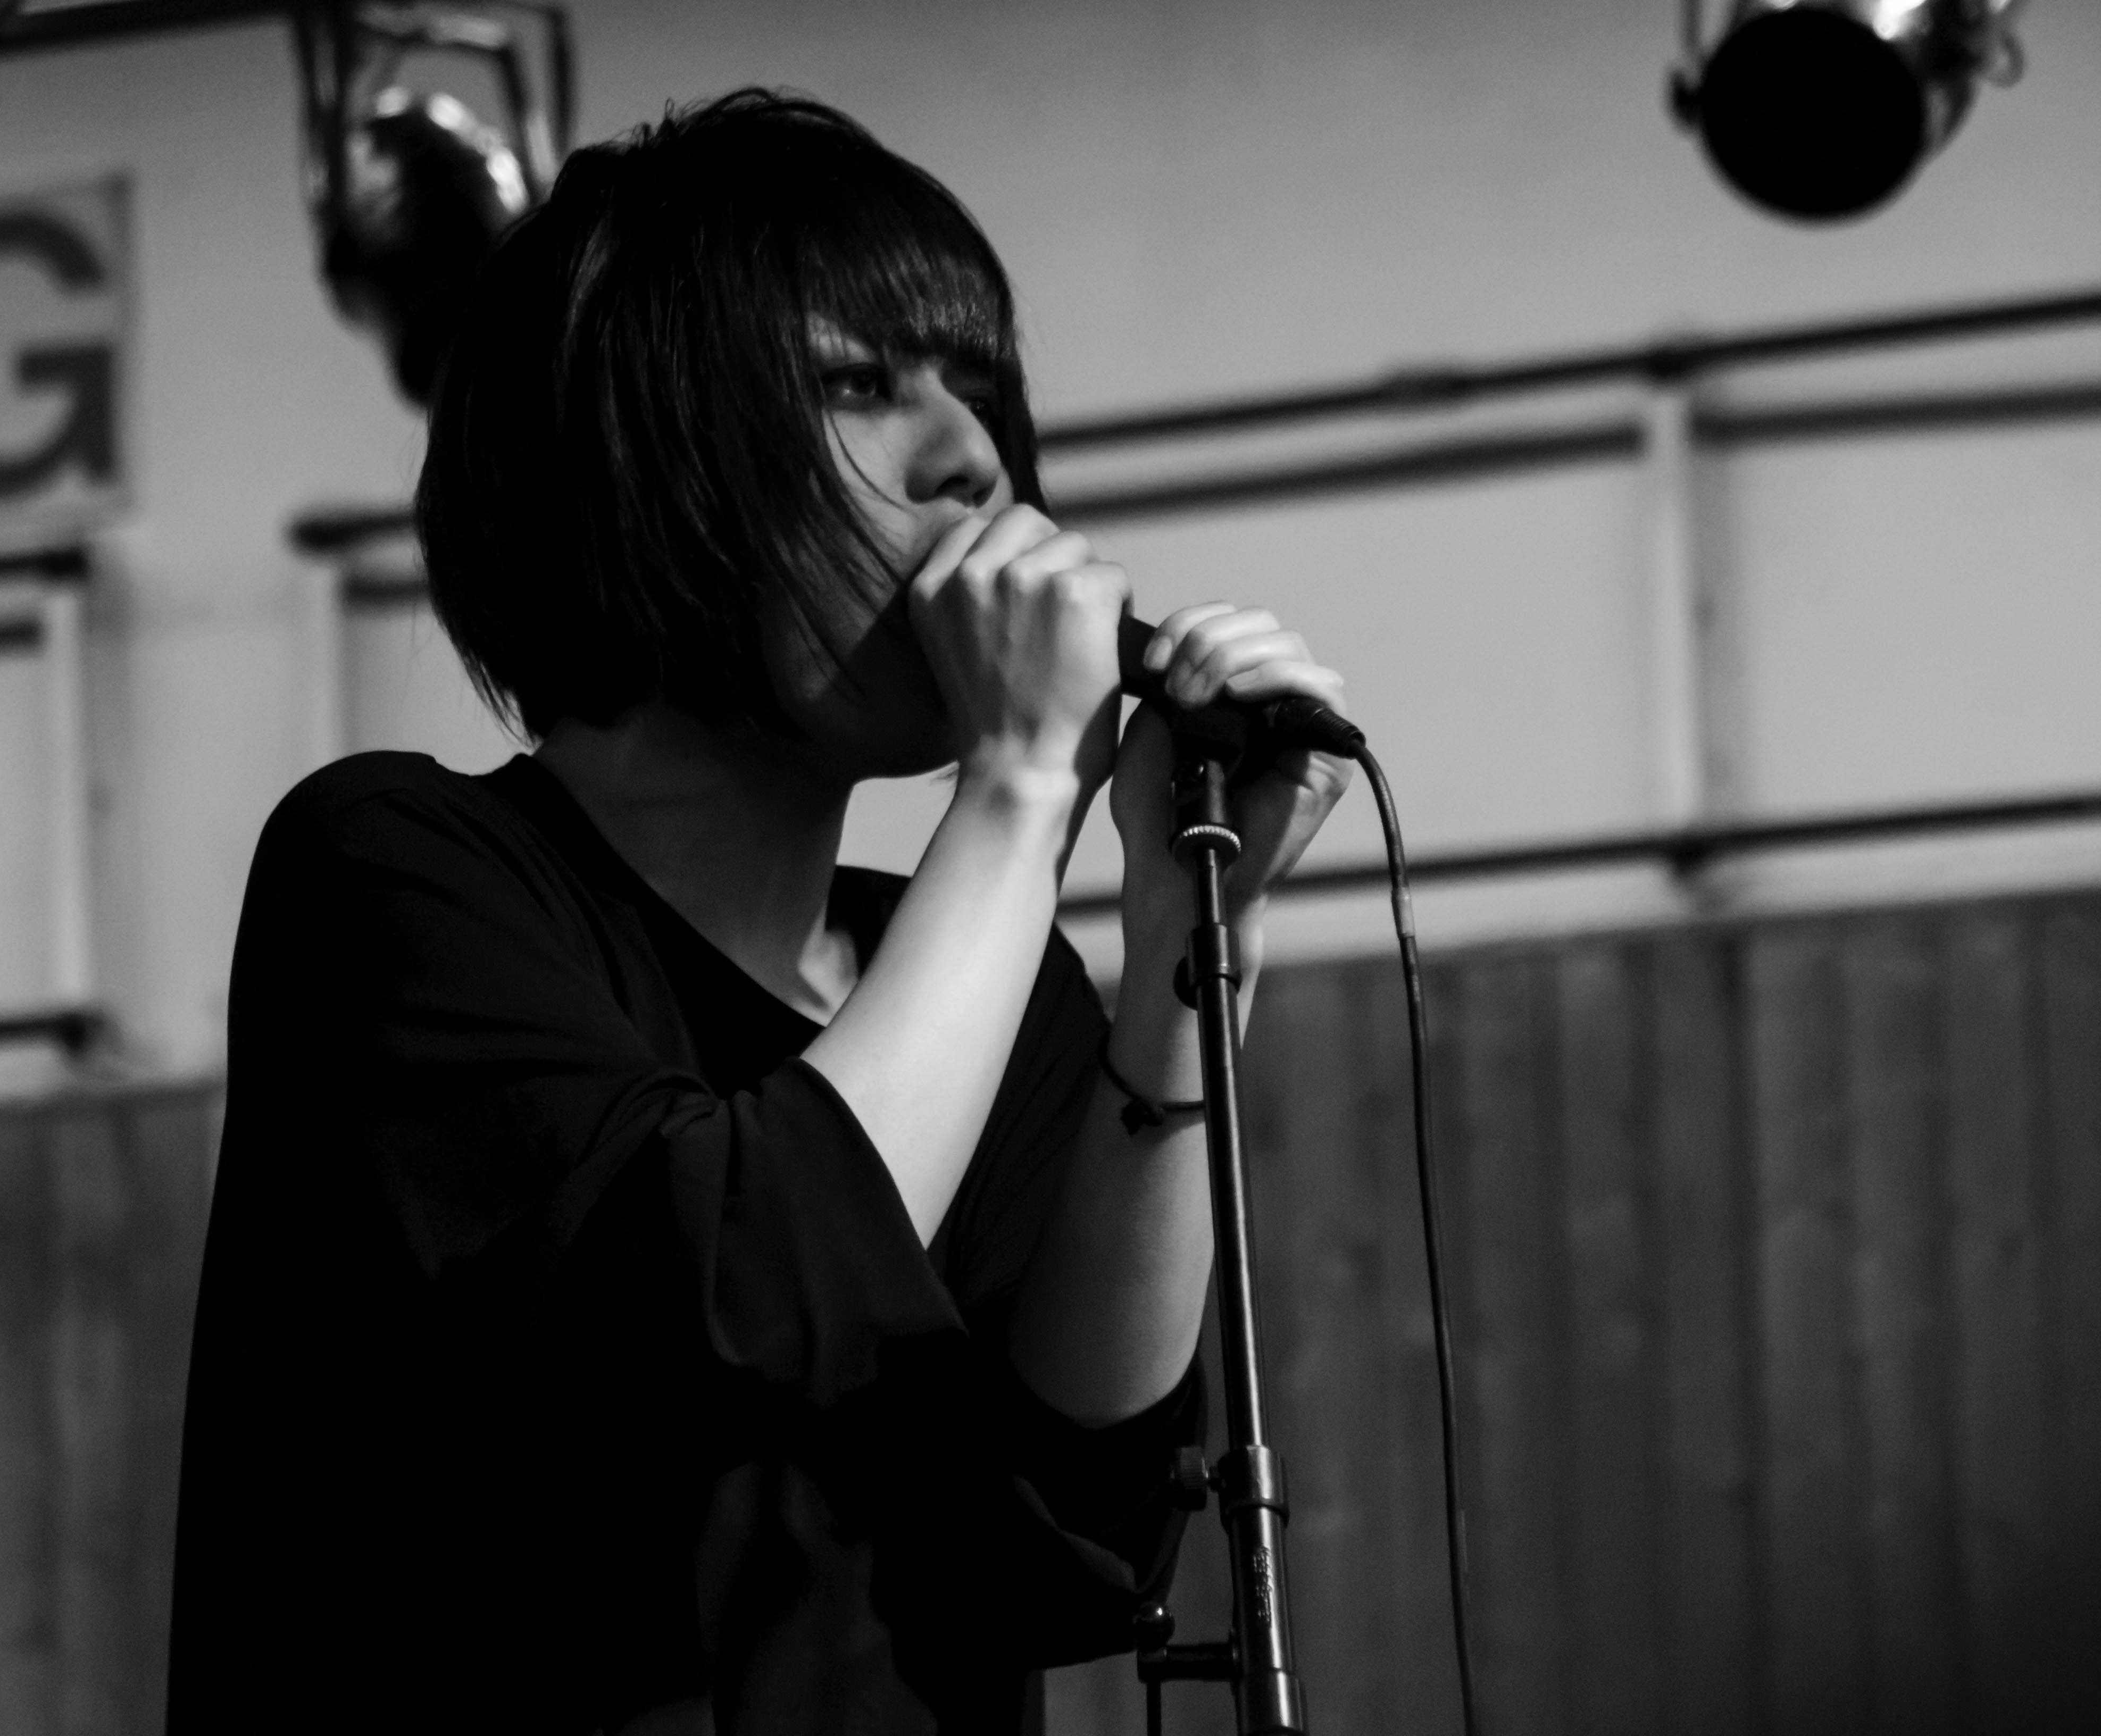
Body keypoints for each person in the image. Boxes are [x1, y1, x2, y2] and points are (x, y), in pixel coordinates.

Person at [166, 89, 1352, 1734]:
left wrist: (1180, 958)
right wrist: (1020, 789)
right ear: (640, 464)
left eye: (981, 391)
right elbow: (723, 1304)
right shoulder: (394, 877)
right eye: (860, 385)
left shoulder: (993, 992)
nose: (971, 457)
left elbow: (1066, 1537)